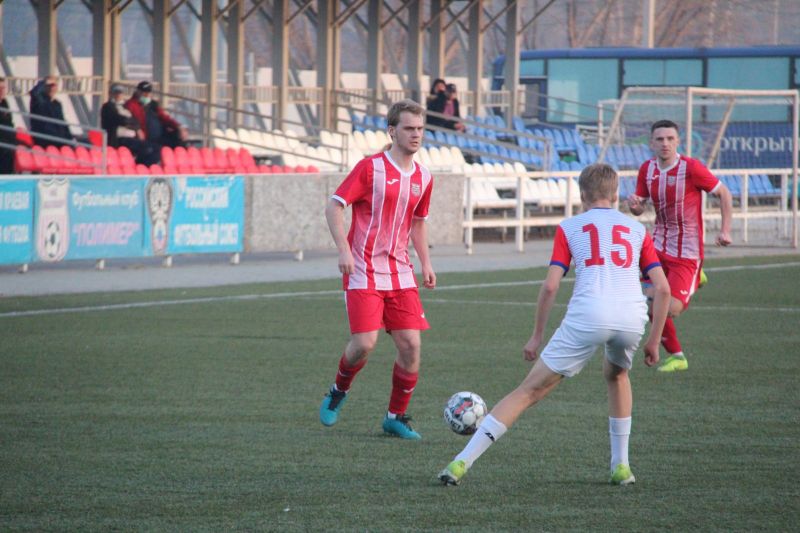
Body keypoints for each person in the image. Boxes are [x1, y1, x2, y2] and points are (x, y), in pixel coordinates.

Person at [438, 163, 671, 486]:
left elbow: (550, 286)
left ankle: (460, 462)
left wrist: (536, 336)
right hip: (631, 317)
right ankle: (622, 467)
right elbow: (662, 289)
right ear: (616, 193)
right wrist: (654, 341)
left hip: (589, 315)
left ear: (582, 195)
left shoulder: (570, 227)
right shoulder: (637, 230)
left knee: (528, 391)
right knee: (617, 375)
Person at [318, 99, 436, 440]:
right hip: (363, 268)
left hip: (400, 271)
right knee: (364, 343)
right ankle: (338, 391)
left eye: (420, 129)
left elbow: (418, 222)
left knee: (411, 345)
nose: (416, 134)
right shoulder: (371, 169)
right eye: (409, 128)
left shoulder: (424, 177)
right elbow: (334, 206)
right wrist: (344, 250)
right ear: (392, 131)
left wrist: (426, 263)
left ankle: (395, 417)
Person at [628, 120, 733, 372]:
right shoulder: (647, 169)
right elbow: (639, 207)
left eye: (670, 139)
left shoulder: (691, 168)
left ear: (678, 141)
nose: (665, 143)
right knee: (650, 305)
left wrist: (725, 230)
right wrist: (634, 207)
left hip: (687, 252)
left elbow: (724, 193)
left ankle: (696, 275)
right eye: (659, 139)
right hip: (657, 246)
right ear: (651, 143)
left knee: (670, 310)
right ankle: (677, 356)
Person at [101, 84, 158, 165]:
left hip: (132, 137)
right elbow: (121, 120)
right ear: (111, 94)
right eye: (116, 93)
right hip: (119, 139)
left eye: (120, 93)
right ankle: (138, 166)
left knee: (156, 149)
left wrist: (136, 128)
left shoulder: (125, 106)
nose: (118, 95)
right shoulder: (107, 107)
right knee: (146, 148)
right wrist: (134, 125)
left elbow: (135, 120)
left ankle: (141, 166)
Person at [124, 81, 187, 151]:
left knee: (179, 140)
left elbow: (164, 117)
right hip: (146, 138)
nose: (147, 95)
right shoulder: (130, 104)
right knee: (154, 149)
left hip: (161, 136)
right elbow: (128, 119)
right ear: (138, 92)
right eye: (144, 92)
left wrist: (178, 126)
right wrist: (137, 129)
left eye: (148, 92)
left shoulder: (153, 104)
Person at [29, 76, 74, 147]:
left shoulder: (57, 104)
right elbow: (34, 93)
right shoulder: (39, 102)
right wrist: (43, 82)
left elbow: (63, 123)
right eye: (49, 86)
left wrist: (70, 138)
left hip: (59, 138)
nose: (52, 88)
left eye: (54, 85)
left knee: (85, 143)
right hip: (45, 139)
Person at [0, 77, 15, 174]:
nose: (1, 91)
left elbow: (10, 122)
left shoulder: (5, 103)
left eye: (3, 88)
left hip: (8, 138)